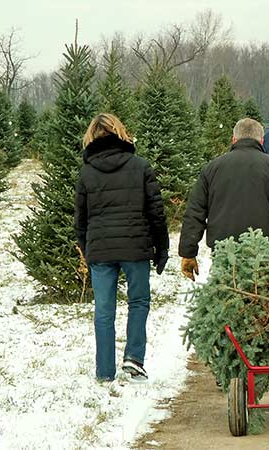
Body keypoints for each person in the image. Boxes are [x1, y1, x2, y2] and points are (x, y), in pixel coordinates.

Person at [74, 113, 169, 383]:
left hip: (101, 250)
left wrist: (88, 248)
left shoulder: (87, 173)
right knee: (138, 302)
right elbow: (156, 213)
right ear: (120, 133)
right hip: (135, 248)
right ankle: (134, 359)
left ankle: (104, 372)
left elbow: (79, 220)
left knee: (104, 311)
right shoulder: (140, 166)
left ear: (91, 136)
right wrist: (161, 248)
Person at [179, 118, 269, 280]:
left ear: (234, 139)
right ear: (262, 141)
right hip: (265, 253)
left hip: (223, 251)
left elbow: (195, 212)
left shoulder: (212, 169)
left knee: (224, 298)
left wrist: (188, 252)